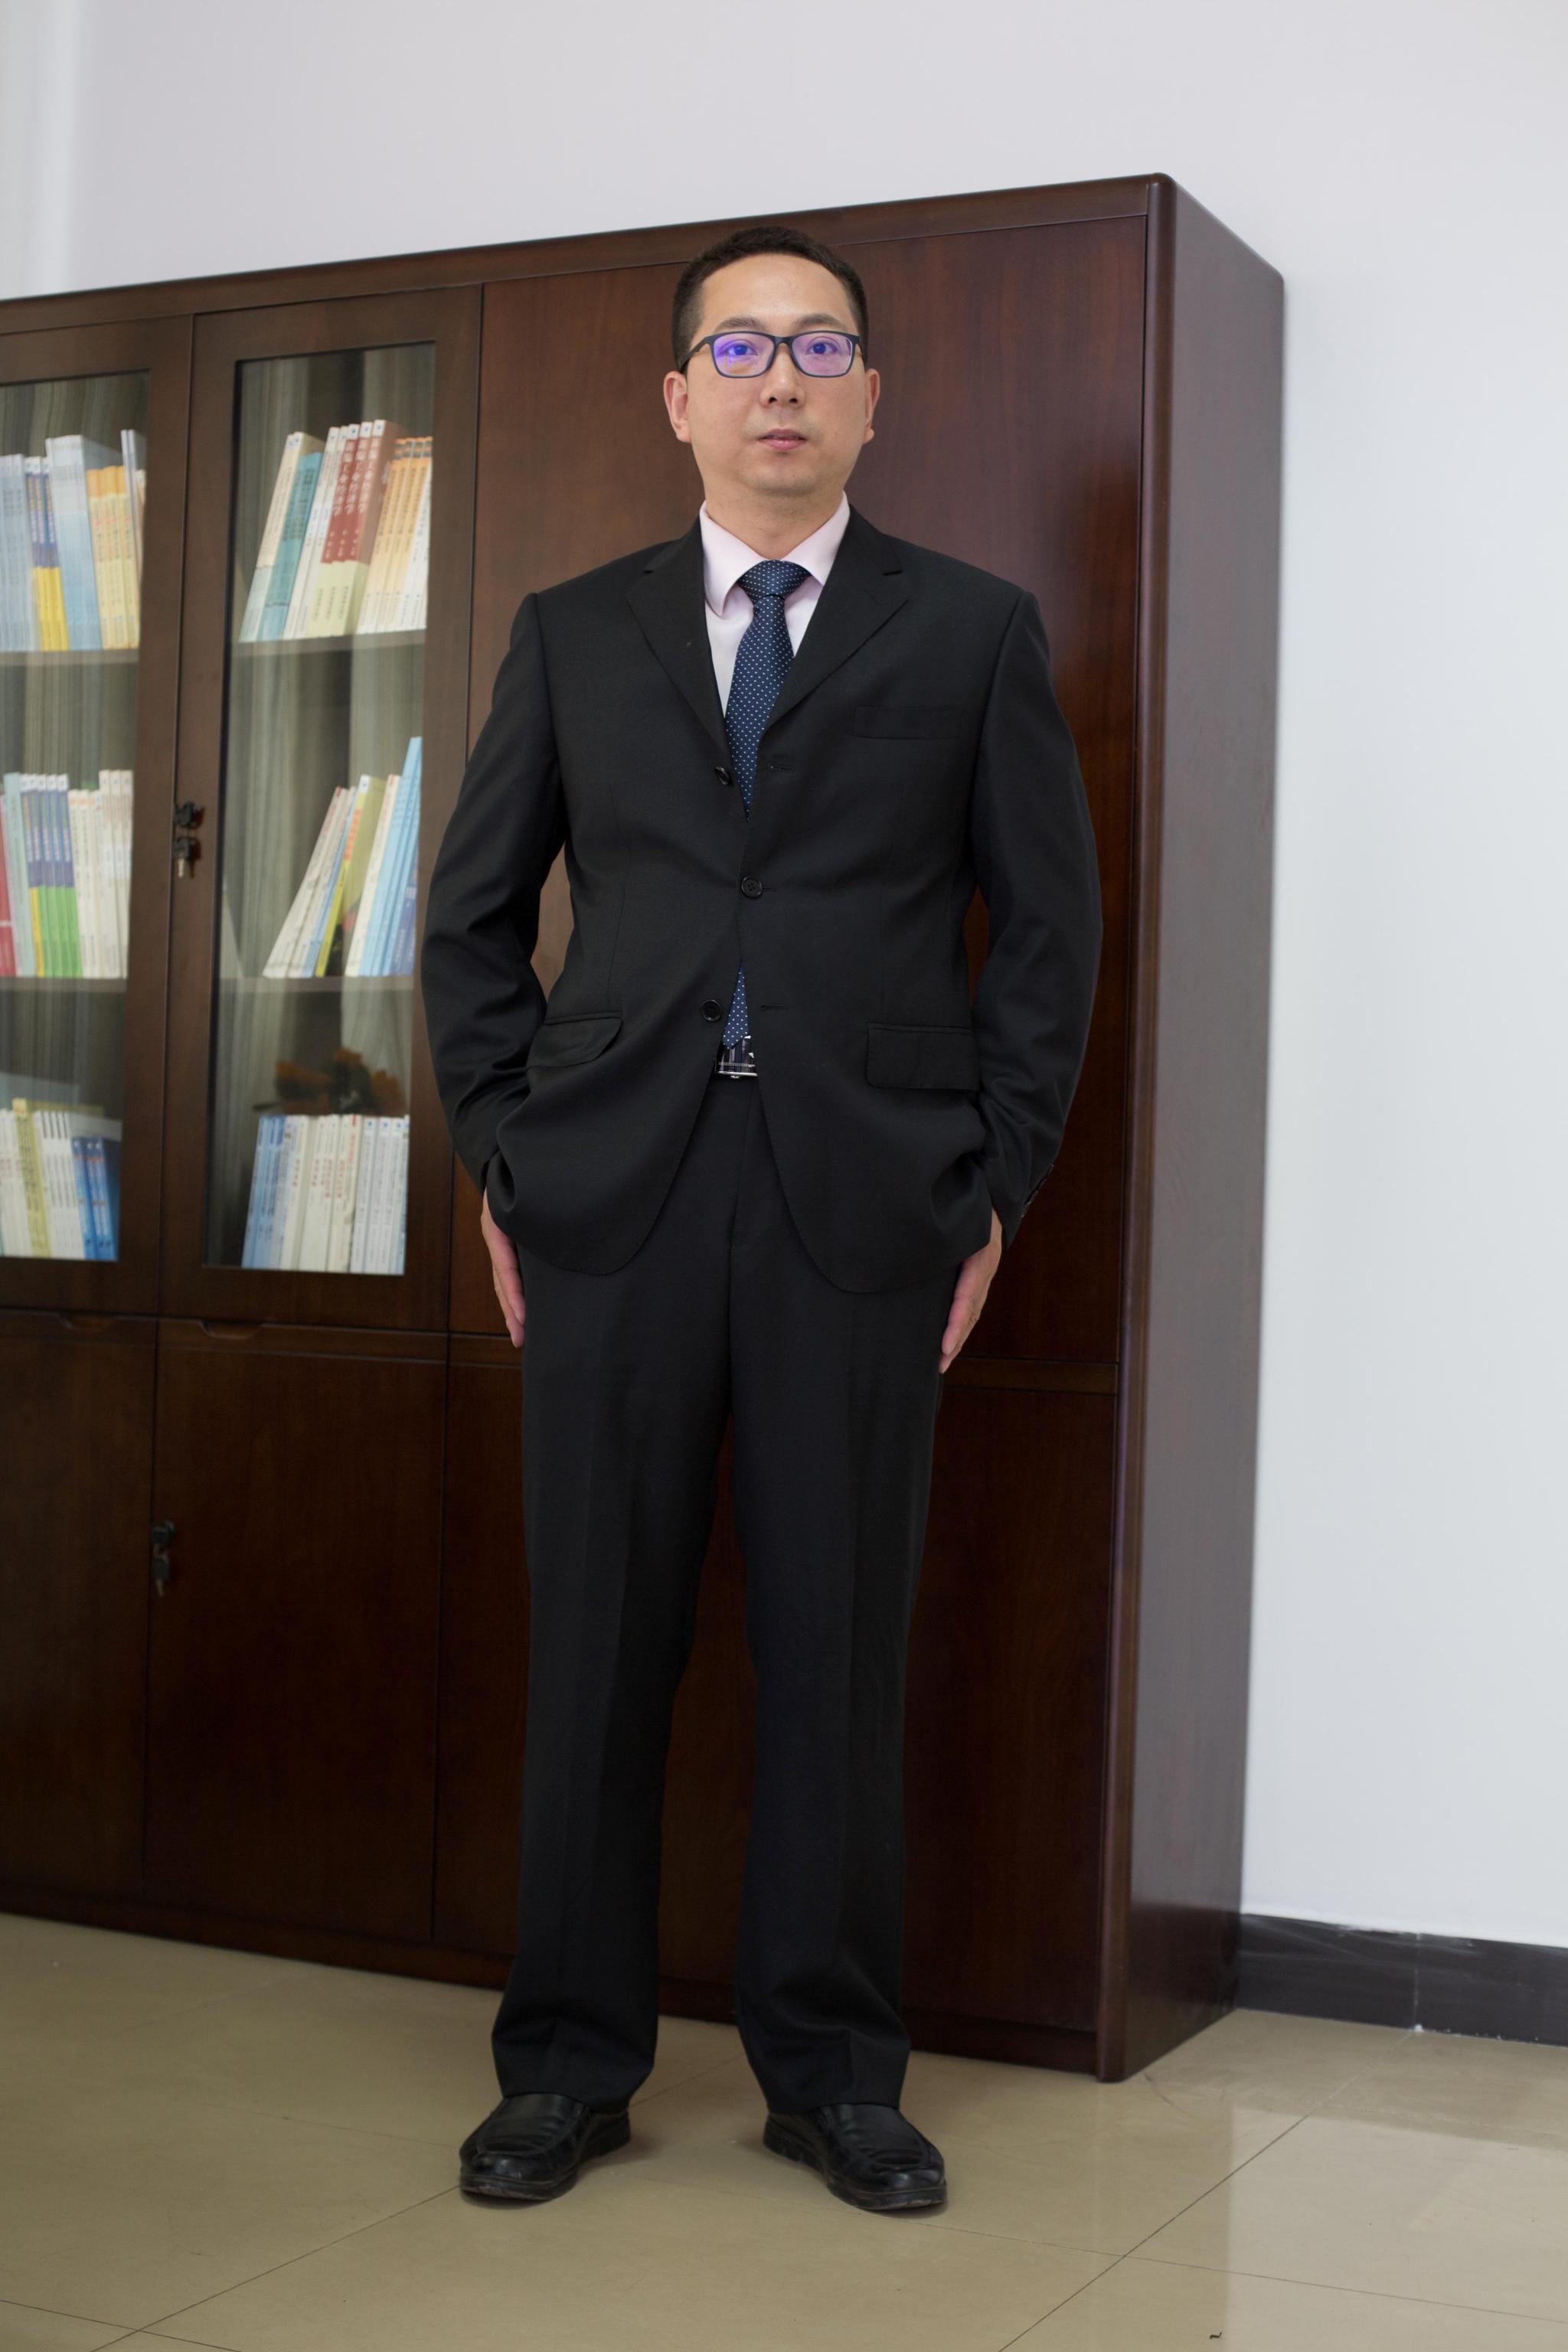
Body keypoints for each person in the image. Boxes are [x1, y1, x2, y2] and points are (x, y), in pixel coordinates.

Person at [420, 220, 1102, 2216]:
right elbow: (470, 920)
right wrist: (506, 1155)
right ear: (679, 399)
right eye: (739, 348)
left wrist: (992, 1184)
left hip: (864, 1210)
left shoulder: (970, 631)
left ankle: (834, 2075)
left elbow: (1047, 935)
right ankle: (565, 2067)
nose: (779, 379)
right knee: (596, 1650)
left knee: (835, 1652)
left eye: (818, 346)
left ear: (873, 395)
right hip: (612, 1199)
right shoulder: (573, 630)